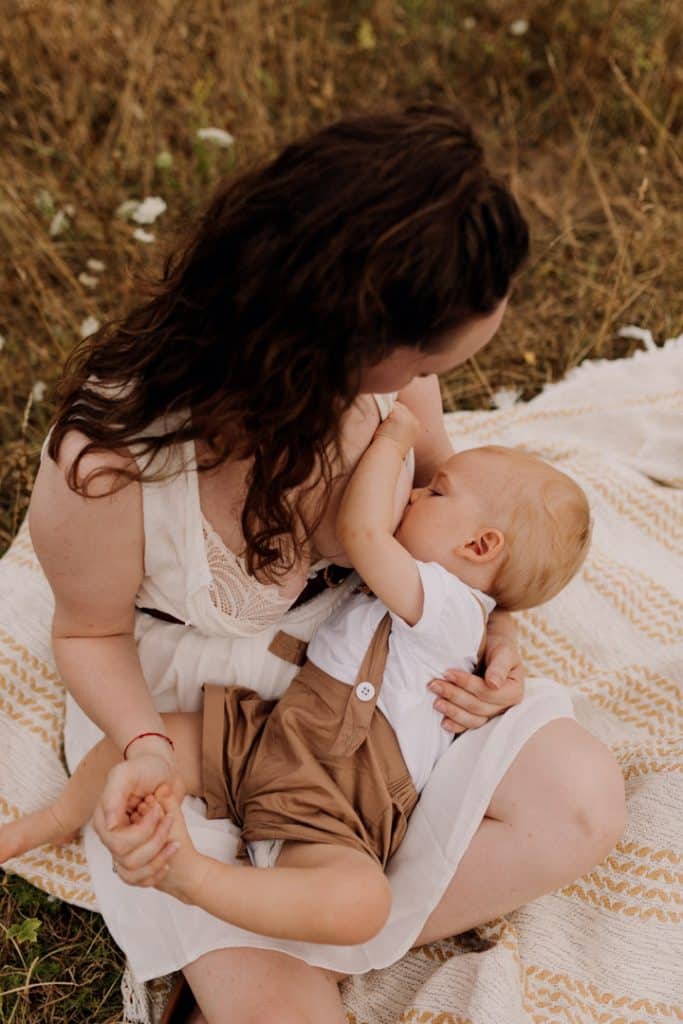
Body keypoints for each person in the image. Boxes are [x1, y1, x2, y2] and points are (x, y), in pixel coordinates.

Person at [22, 104, 625, 1023]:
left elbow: (452, 531)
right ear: (354, 337)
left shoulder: (390, 389)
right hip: (193, 706)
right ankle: (258, 945)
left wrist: (493, 624)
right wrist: (146, 745)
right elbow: (89, 630)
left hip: (375, 684)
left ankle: (299, 930)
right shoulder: (110, 463)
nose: (428, 384)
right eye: (432, 355)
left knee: (582, 802)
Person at [1, 407, 595, 953]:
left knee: (362, 904)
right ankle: (54, 822)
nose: (413, 492)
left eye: (435, 492)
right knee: (138, 746)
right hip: (272, 732)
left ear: (478, 545)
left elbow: (363, 533)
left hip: (343, 790)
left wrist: (395, 436)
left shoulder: (446, 603)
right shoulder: (437, 596)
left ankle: (196, 880)